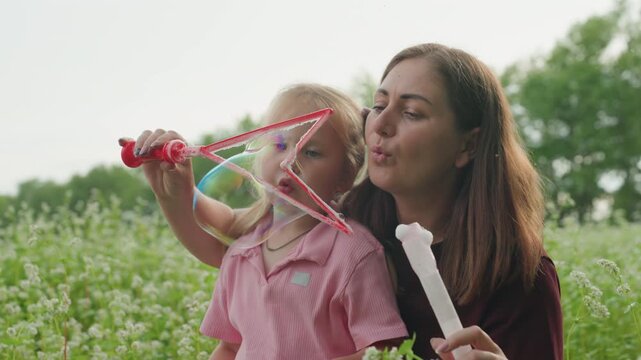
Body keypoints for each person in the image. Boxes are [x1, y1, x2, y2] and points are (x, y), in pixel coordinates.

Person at [120, 83, 408, 359]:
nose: (289, 162)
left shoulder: (354, 254)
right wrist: (172, 188)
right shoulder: (243, 251)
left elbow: (382, 350)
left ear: (346, 175)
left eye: (311, 152)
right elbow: (231, 349)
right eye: (279, 143)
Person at [342, 43, 563, 359]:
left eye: (411, 113)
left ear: (468, 144)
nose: (381, 124)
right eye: (378, 105)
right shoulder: (329, 237)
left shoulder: (520, 279)